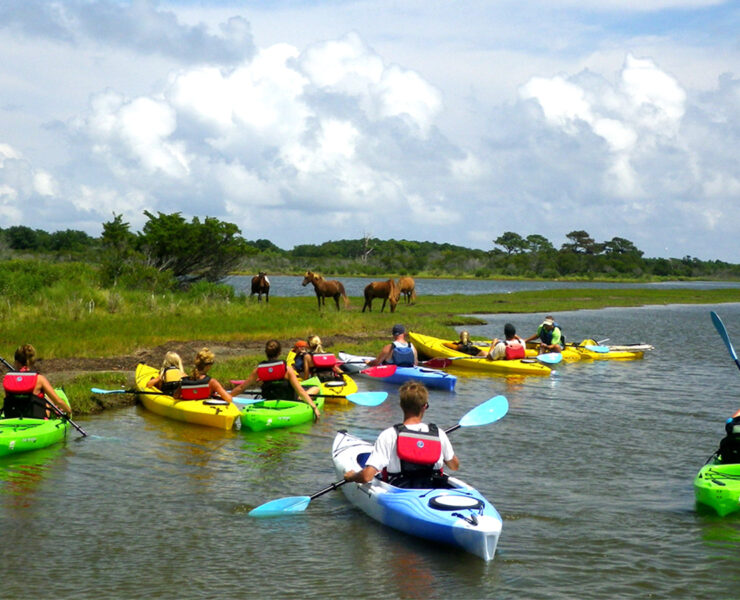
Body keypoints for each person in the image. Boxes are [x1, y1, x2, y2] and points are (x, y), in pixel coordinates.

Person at [343, 381, 459, 488]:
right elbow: (454, 466)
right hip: (431, 487)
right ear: (425, 407)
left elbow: (366, 477)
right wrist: (436, 451)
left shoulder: (389, 435)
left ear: (401, 405)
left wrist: (351, 477)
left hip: (399, 489)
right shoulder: (438, 433)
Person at [231, 340, 321, 422]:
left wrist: (226, 396)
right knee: (316, 388)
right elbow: (300, 391)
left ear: (266, 353)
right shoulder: (287, 369)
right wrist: (314, 407)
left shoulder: (259, 370)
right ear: (279, 353)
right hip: (289, 401)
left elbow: (241, 387)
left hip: (269, 399)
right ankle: (300, 399)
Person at [2, 344, 71, 418]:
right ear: (32, 362)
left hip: (12, 417)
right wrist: (69, 412)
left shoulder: (7, 378)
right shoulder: (39, 379)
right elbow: (58, 401)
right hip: (36, 419)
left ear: (16, 362)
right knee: (48, 400)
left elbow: (8, 399)